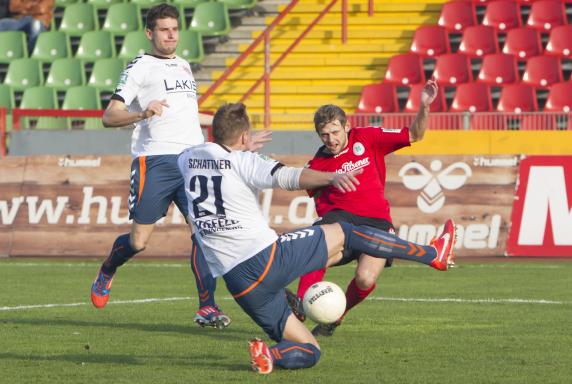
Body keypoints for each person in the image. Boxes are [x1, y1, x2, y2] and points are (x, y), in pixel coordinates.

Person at [177, 102, 456, 374]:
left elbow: (216, 157)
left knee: (311, 349)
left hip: (240, 285)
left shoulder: (186, 159)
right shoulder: (248, 162)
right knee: (343, 231)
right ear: (245, 136)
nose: (331, 139)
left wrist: (236, 147)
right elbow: (288, 176)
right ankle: (432, 254)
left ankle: (270, 354)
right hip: (265, 258)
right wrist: (331, 177)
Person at [89, 4, 270, 328]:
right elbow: (109, 115)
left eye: (174, 28)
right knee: (139, 242)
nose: (171, 34)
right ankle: (109, 268)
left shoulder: (184, 66)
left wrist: (238, 137)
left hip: (193, 160)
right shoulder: (140, 68)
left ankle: (207, 307)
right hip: (155, 160)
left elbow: (189, 117)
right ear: (150, 33)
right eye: (164, 29)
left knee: (204, 234)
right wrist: (143, 113)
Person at [285, 79, 445, 337]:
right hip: (340, 221)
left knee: (366, 279)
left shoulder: (368, 137)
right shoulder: (318, 163)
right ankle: (302, 303)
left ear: (347, 126)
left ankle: (335, 317)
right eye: (325, 135)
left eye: (335, 132)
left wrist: (424, 107)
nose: (332, 139)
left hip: (376, 222)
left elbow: (415, 135)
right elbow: (302, 185)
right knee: (315, 253)